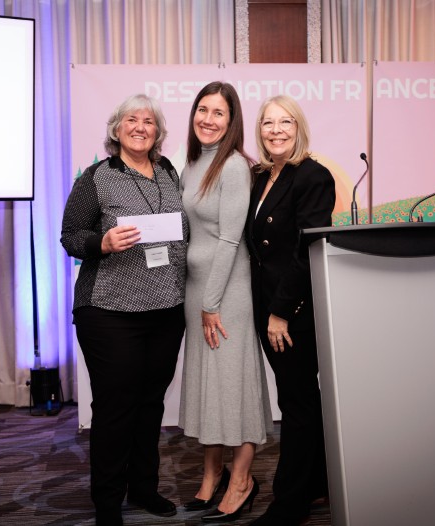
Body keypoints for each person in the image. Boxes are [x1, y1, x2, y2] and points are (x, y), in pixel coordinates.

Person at [60, 93, 188, 526]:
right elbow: (70, 236)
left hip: (166, 309)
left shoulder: (168, 172)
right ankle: (108, 502)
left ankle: (144, 488)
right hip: (109, 311)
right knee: (116, 409)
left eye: (148, 121)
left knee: (151, 405)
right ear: (116, 129)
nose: (140, 127)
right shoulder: (97, 177)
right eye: (132, 120)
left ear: (158, 132)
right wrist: (102, 242)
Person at [179, 82, 273, 524]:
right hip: (196, 291)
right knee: (208, 386)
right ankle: (211, 475)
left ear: (232, 121)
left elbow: (231, 240)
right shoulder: (192, 162)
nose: (208, 119)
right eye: (203, 109)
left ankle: (241, 480)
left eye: (219, 113)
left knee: (234, 385)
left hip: (225, 293)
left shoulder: (234, 166)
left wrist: (212, 302)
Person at [244, 95, 336, 526]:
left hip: (294, 312)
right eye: (268, 123)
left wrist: (281, 311)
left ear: (299, 128)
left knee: (297, 405)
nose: (276, 130)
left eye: (285, 122)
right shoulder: (261, 176)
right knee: (302, 400)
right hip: (265, 306)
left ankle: (289, 504)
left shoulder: (312, 176)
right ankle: (318, 483)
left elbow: (305, 250)